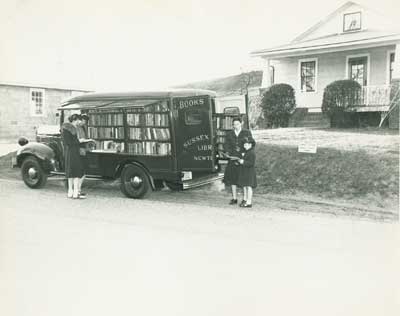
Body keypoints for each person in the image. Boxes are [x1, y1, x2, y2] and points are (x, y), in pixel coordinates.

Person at [223, 117, 253, 204]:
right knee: (233, 178)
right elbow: (226, 145)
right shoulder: (229, 134)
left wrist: (245, 153)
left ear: (241, 123)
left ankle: (245, 198)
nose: (235, 126)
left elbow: (251, 144)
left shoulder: (246, 132)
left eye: (237, 124)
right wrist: (228, 152)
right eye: (234, 124)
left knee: (243, 179)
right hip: (232, 158)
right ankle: (234, 198)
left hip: (242, 158)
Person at [62, 114, 86, 199]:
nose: (78, 122)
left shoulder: (66, 128)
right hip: (73, 151)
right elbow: (69, 142)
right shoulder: (71, 129)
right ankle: (75, 192)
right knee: (75, 171)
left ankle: (70, 191)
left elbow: (67, 142)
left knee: (70, 172)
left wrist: (78, 141)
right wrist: (79, 141)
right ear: (74, 120)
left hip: (70, 152)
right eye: (77, 121)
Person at [237, 137, 257, 208]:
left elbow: (251, 163)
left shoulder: (252, 153)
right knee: (246, 186)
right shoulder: (248, 152)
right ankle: (246, 200)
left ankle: (249, 202)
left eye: (246, 144)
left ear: (250, 144)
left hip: (249, 172)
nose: (244, 146)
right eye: (244, 144)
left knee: (249, 187)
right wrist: (240, 162)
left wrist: (243, 162)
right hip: (246, 172)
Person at [76, 114, 90, 197]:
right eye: (83, 121)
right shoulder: (76, 128)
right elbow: (78, 140)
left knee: (83, 172)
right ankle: (77, 190)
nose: (84, 123)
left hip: (84, 150)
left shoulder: (83, 128)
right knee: (80, 172)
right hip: (79, 151)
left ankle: (78, 190)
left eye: (85, 121)